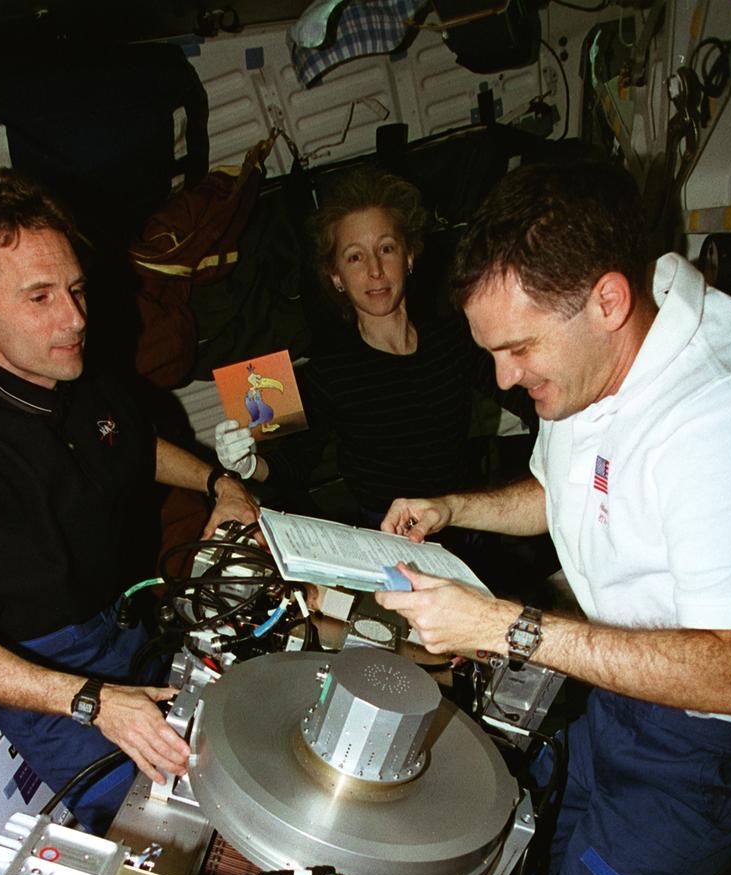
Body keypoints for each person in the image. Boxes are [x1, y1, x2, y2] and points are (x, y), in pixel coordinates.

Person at [377, 159, 731, 875]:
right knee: (522, 850)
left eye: (517, 348)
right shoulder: (598, 360)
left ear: (607, 302)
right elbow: (561, 491)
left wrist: (503, 629)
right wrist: (454, 506)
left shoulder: (724, 418)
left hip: (705, 754)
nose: (503, 378)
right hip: (619, 690)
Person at [0, 168, 258, 833]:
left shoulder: (71, 365)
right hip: (42, 673)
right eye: (40, 297)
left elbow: (131, 444)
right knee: (163, 827)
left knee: (238, 768)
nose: (75, 318)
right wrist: (91, 701)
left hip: (127, 619)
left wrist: (218, 485)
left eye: (76, 289)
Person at [213, 167, 538, 590]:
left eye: (386, 248)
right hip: (389, 549)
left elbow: (528, 398)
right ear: (335, 278)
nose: (374, 270)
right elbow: (290, 469)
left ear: (409, 256)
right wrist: (248, 463)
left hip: (467, 527)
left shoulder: (455, 338)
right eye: (354, 256)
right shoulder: (324, 373)